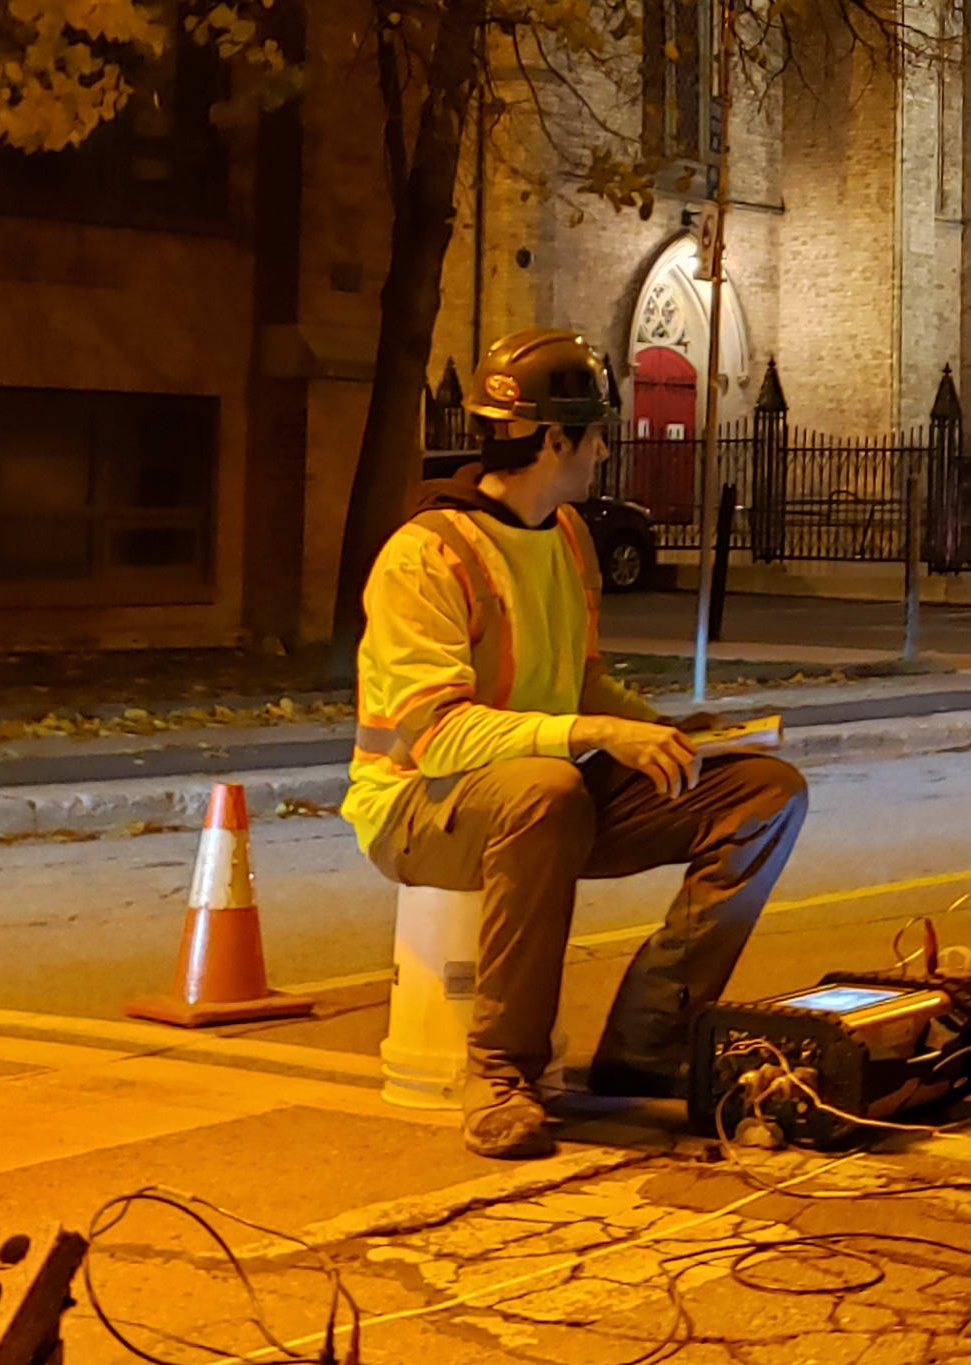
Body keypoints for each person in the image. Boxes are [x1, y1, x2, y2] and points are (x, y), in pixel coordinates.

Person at [344, 328, 808, 1159]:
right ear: (554, 439)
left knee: (765, 790)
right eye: (595, 434)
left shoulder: (564, 536)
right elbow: (439, 737)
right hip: (420, 811)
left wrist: (661, 730)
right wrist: (594, 734)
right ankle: (499, 1072)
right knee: (544, 792)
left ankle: (646, 1045)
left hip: (541, 794)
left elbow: (580, 679)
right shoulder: (424, 557)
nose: (603, 451)